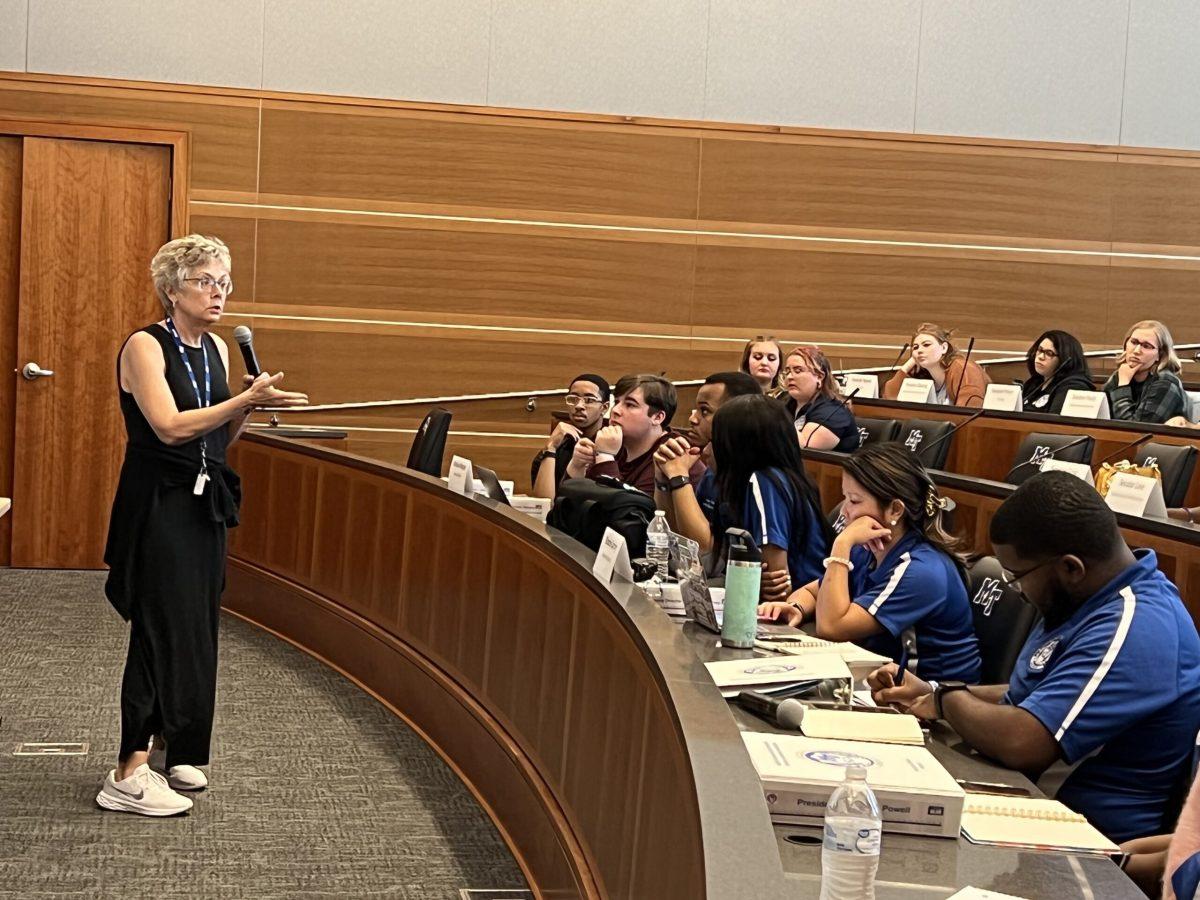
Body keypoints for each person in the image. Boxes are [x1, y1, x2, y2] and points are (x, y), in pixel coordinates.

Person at [868, 471, 1200, 843]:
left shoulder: (1137, 625)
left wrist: (948, 701)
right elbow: (1039, 694)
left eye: (1017, 577)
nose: (1018, 591)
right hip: (1027, 808)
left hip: (1085, 845)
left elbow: (1025, 741)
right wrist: (933, 691)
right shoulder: (1088, 596)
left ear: (1071, 568)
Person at [97, 235, 308, 817]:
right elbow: (167, 427)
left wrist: (245, 407)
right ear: (172, 289)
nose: (218, 292)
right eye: (205, 281)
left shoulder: (215, 347)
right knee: (159, 627)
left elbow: (217, 437)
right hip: (159, 503)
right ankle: (128, 771)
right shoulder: (145, 346)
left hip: (205, 501)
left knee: (196, 626)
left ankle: (179, 745)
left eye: (224, 283)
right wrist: (239, 402)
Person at [759, 442, 981, 682]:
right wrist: (796, 608)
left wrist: (841, 544)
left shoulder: (921, 570)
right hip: (880, 679)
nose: (844, 511)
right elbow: (815, 592)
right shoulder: (870, 548)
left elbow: (832, 628)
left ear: (895, 510)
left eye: (854, 501)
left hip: (929, 700)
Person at [651, 372, 777, 586]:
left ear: (736, 416)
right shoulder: (713, 471)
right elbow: (678, 538)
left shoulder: (761, 481)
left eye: (705, 411)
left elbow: (704, 551)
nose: (692, 419)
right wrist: (663, 479)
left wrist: (680, 478)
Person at [703, 394, 832, 595]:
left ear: (737, 447)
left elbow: (777, 587)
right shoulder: (780, 478)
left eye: (714, 441)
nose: (706, 450)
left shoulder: (764, 482)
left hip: (801, 607)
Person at [568, 373, 703, 495]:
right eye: (617, 402)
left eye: (630, 405)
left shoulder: (672, 453)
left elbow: (627, 514)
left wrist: (605, 456)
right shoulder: (615, 442)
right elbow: (572, 504)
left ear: (657, 417)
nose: (615, 410)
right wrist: (576, 467)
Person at [530, 374, 609, 499]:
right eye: (573, 399)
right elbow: (542, 505)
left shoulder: (609, 446)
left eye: (589, 400)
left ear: (604, 408)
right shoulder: (561, 443)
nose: (579, 406)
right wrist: (550, 448)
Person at [883, 322, 990, 408]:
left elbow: (969, 410)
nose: (919, 350)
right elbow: (891, 398)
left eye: (926, 345)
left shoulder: (963, 369)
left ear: (944, 348)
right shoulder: (923, 374)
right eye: (915, 347)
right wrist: (908, 365)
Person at [1103, 320, 1189, 424]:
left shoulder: (1166, 383)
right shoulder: (1120, 376)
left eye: (1146, 346)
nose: (1136, 350)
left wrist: (1122, 387)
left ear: (1160, 355)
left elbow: (1135, 430)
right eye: (1133, 342)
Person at [781, 345, 859, 452]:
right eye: (787, 371)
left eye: (798, 370)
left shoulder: (834, 412)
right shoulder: (786, 402)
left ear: (819, 377)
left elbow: (804, 448)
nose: (789, 376)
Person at [1020, 330, 1094, 414]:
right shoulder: (1034, 383)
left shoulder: (1074, 387)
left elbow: (1053, 424)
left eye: (1049, 353)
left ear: (1065, 359)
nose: (1040, 357)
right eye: (1040, 350)